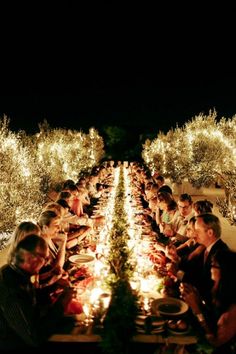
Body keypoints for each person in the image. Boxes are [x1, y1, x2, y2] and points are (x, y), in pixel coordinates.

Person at [0, 234, 74, 351]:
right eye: (45, 258)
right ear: (31, 258)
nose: (45, 263)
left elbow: (30, 297)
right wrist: (62, 303)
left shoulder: (13, 272)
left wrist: (54, 287)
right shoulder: (11, 289)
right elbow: (34, 338)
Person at [180, 249, 236, 353]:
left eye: (214, 265)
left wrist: (197, 309)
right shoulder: (220, 291)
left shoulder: (233, 311)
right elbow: (212, 317)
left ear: (226, 271)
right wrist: (196, 297)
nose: (210, 267)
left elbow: (215, 342)